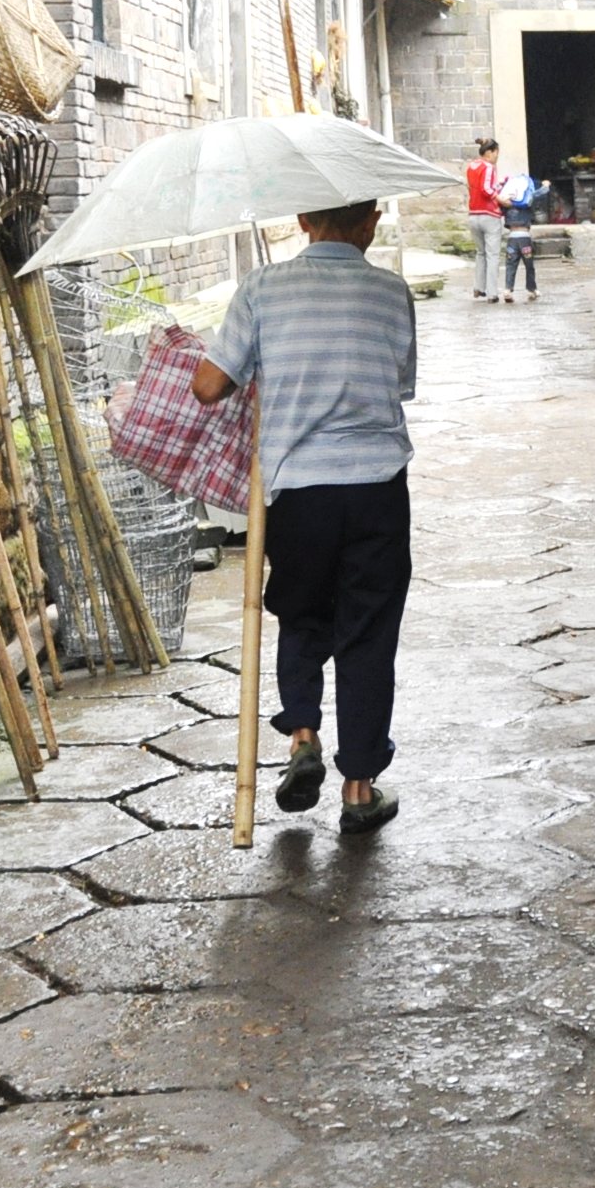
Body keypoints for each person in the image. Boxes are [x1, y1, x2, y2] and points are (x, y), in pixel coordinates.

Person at [192, 199, 417, 835]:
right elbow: (397, 384)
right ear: (371, 221)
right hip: (376, 487)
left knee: (300, 613)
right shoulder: (391, 291)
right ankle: (358, 788)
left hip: (296, 492)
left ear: (301, 221)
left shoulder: (263, 288)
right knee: (368, 635)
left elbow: (209, 387)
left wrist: (260, 362)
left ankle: (302, 737)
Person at [464, 138, 506, 301]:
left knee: (480, 253)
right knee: (493, 255)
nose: (497, 157)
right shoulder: (489, 167)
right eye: (496, 153)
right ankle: (492, 293)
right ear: (489, 153)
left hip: (474, 214)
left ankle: (478, 287)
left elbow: (476, 187)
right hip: (489, 214)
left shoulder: (472, 166)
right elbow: (486, 189)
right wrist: (501, 199)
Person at [497, 171, 541, 301]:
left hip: (512, 239)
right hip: (524, 239)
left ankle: (507, 290)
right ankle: (532, 289)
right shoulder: (526, 200)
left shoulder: (507, 205)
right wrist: (545, 186)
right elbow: (539, 194)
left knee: (511, 264)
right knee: (529, 265)